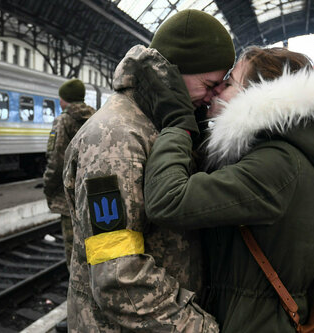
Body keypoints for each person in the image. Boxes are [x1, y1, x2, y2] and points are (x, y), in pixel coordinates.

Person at [143, 47, 314, 332]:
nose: (217, 91)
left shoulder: (276, 164)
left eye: (229, 83)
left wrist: (178, 126)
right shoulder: (282, 153)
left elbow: (168, 200)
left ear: (258, 96)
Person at [62, 9, 235, 332]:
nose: (213, 98)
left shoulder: (162, 126)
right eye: (209, 85)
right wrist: (200, 328)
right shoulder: (115, 139)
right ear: (173, 72)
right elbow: (118, 278)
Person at [43, 78, 95, 268]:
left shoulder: (63, 120)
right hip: (93, 191)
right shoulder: (96, 117)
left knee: (74, 249)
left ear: (65, 99)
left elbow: (56, 160)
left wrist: (48, 185)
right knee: (94, 247)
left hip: (70, 194)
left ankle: (78, 292)